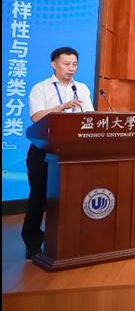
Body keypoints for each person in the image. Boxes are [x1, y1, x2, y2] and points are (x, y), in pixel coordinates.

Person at [23, 47, 95, 259]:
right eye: (66, 64)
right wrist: (61, 107)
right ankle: (32, 243)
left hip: (72, 151)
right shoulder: (41, 88)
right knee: (39, 196)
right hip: (43, 151)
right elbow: (36, 117)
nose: (71, 68)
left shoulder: (81, 88)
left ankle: (68, 239)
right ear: (54, 64)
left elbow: (90, 116)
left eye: (74, 64)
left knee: (72, 196)